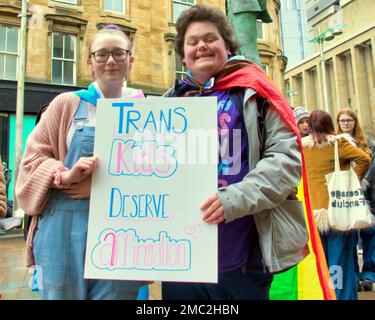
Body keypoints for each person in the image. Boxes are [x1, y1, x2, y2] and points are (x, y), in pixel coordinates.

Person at [162, 4, 307, 300]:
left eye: (210, 38)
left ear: (227, 46)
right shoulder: (168, 103)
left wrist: (233, 199)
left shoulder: (255, 91)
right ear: (184, 54)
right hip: (180, 258)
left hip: (240, 260)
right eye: (192, 42)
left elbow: (286, 161)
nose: (201, 45)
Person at [15, 24, 144, 300]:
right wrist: (64, 174)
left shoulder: (147, 113)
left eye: (119, 53)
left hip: (120, 233)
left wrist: (101, 189)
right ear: (89, 62)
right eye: (102, 54)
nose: (110, 60)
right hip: (62, 231)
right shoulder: (66, 104)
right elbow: (30, 162)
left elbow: (157, 178)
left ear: (131, 60)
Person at [302, 109, 371, 300]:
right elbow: (364, 159)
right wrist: (354, 178)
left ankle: (325, 295)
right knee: (340, 261)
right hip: (337, 209)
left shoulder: (302, 148)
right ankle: (342, 296)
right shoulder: (337, 143)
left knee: (321, 260)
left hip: (312, 213)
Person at [336, 108, 375, 292]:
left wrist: (363, 180)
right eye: (342, 121)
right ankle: (353, 274)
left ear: (354, 122)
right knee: (349, 235)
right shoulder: (335, 143)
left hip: (366, 195)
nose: (346, 124)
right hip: (345, 196)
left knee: (370, 233)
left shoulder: (367, 143)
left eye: (349, 120)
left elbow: (370, 162)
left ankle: (368, 274)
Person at [226, 0, 272, 65]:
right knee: (236, 52)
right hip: (232, 11)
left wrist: (263, 8)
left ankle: (256, 74)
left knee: (247, 50)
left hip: (244, 8)